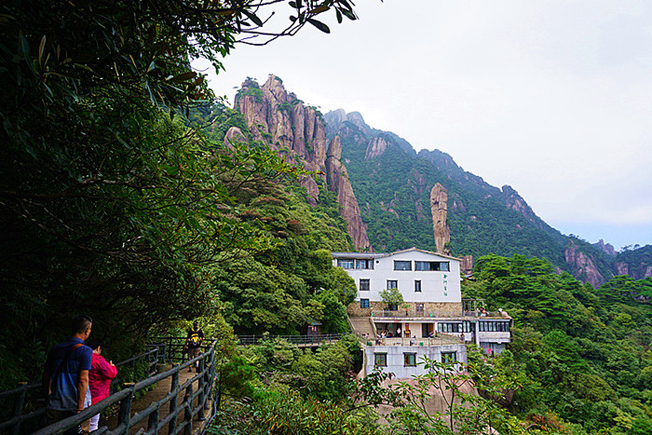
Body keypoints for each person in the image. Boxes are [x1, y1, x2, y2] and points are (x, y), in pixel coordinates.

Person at [42, 315, 93, 435]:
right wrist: (80, 408)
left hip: (56, 403)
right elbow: (82, 379)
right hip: (76, 404)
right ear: (87, 331)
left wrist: (48, 395)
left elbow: (46, 376)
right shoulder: (85, 351)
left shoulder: (56, 349)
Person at [87, 339, 118, 432]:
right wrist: (112, 366)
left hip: (83, 394)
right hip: (96, 395)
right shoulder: (98, 360)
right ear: (98, 348)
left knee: (81, 423)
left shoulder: (84, 357)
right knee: (93, 423)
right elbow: (111, 373)